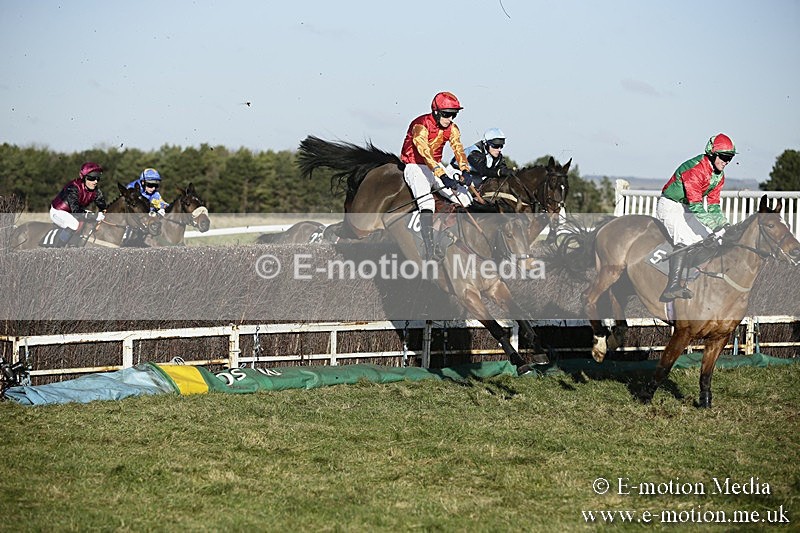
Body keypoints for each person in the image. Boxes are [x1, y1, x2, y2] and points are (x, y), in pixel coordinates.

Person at [656, 133, 736, 301]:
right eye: (724, 157)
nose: (726, 161)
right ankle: (672, 286)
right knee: (685, 239)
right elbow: (696, 206)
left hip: (686, 208)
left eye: (730, 158)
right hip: (670, 205)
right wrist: (716, 226)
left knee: (709, 239)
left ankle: (697, 279)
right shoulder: (696, 169)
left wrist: (725, 225)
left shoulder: (719, 176)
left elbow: (713, 206)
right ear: (713, 154)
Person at [400, 91, 472, 259]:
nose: (451, 119)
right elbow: (425, 153)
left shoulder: (452, 128)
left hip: (436, 165)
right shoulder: (420, 125)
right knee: (427, 204)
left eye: (454, 115)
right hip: (415, 165)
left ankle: (454, 236)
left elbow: (458, 148)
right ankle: (429, 247)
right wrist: (442, 175)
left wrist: (465, 169)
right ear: (436, 112)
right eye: (447, 114)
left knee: (465, 198)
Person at [49, 162, 108, 247]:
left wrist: (103, 213)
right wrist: (95, 216)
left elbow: (103, 206)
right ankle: (58, 249)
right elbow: (76, 211)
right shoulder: (73, 188)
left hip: (73, 212)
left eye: (97, 178)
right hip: (58, 211)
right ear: (83, 177)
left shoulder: (96, 191)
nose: (95, 182)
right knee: (73, 224)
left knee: (90, 219)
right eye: (91, 178)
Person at [452, 127, 513, 200]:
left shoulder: (498, 156)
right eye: (496, 146)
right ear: (486, 144)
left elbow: (503, 170)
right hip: (456, 173)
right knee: (466, 201)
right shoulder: (474, 152)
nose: (499, 149)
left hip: (474, 176)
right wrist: (499, 172)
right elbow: (484, 170)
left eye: (501, 146)